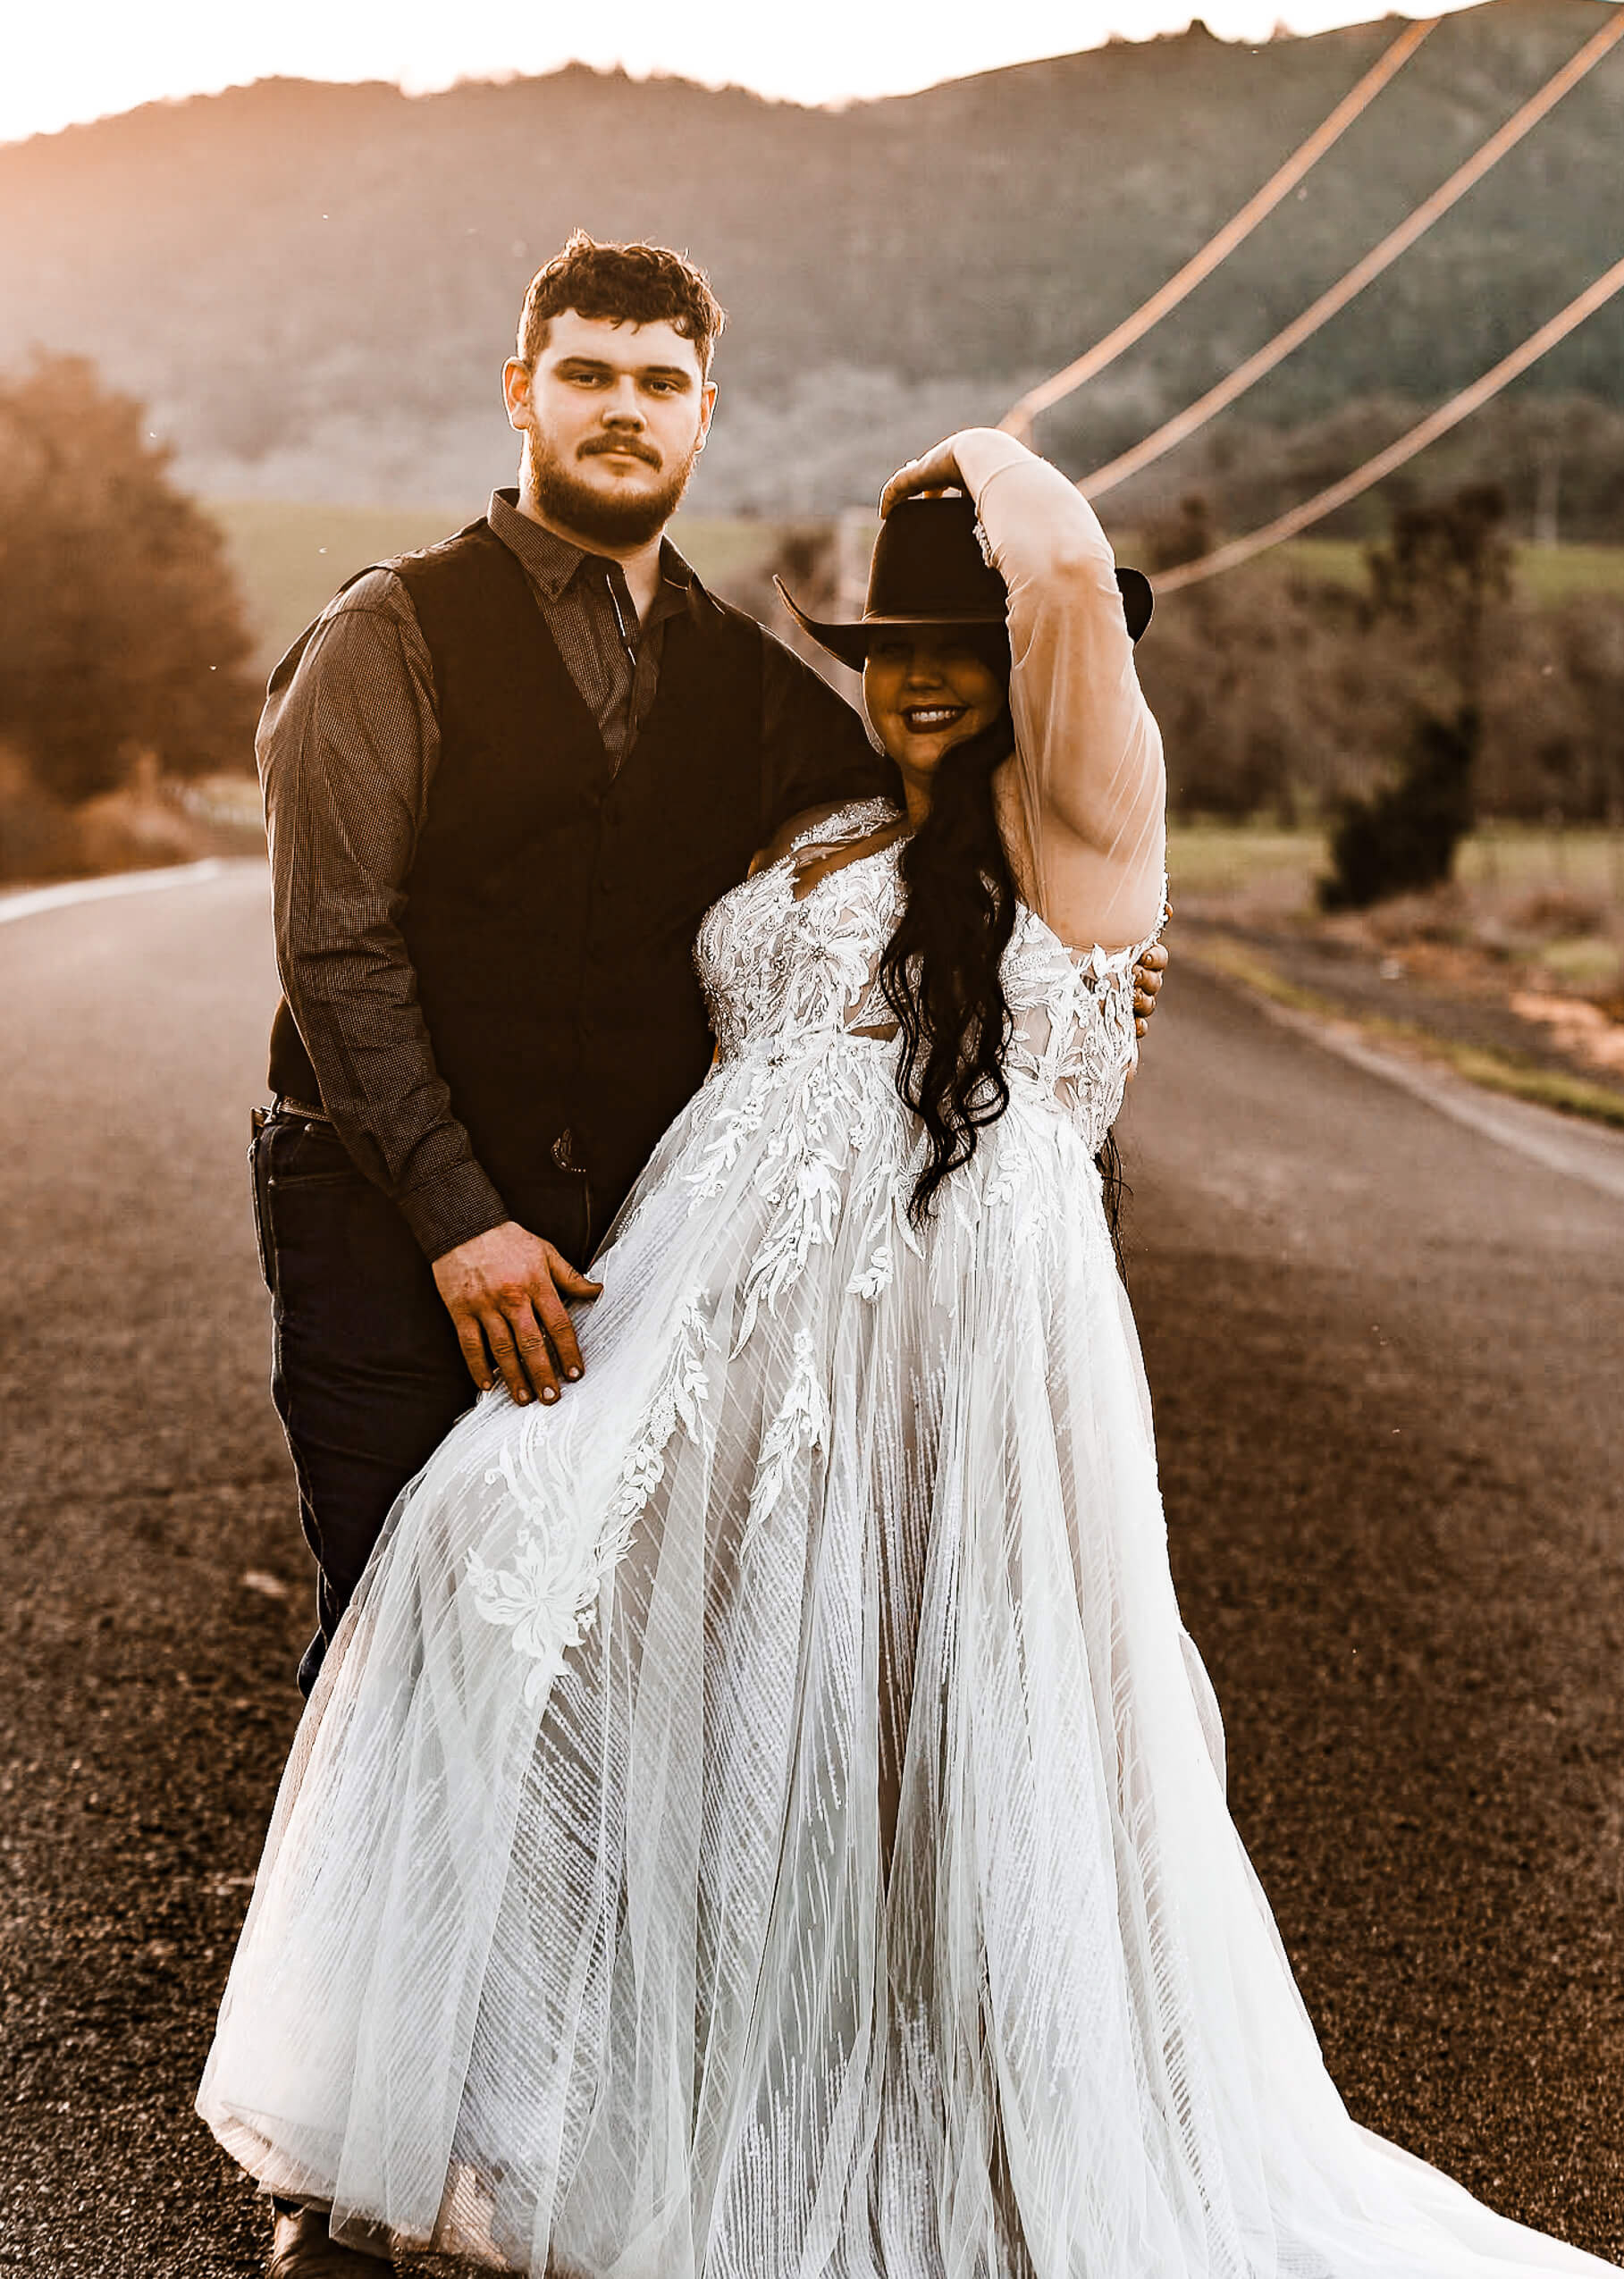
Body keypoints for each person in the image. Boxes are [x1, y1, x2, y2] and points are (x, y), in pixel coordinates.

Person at [203, 428, 1611, 2279]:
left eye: (963, 642)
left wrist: (967, 468)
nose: (923, 676)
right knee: (520, 1585)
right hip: (709, 1310)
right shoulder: (826, 813)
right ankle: (524, 2111)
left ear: (1030, 658)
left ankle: (861, 2151)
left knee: (898, 1729)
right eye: (894, 645)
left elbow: (1067, 587)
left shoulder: (1075, 820)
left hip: (938, 1326)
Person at [248, 228, 1170, 1719]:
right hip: (386, 1220)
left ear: (703, 413)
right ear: (521, 393)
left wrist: (1082, 974)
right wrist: (457, 1219)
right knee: (395, 1629)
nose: (624, 407)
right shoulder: (387, 635)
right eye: (588, 375)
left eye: (658, 382)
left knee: (588, 1665)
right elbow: (333, 946)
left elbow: (923, 860)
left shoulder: (752, 686)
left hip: (621, 1255)